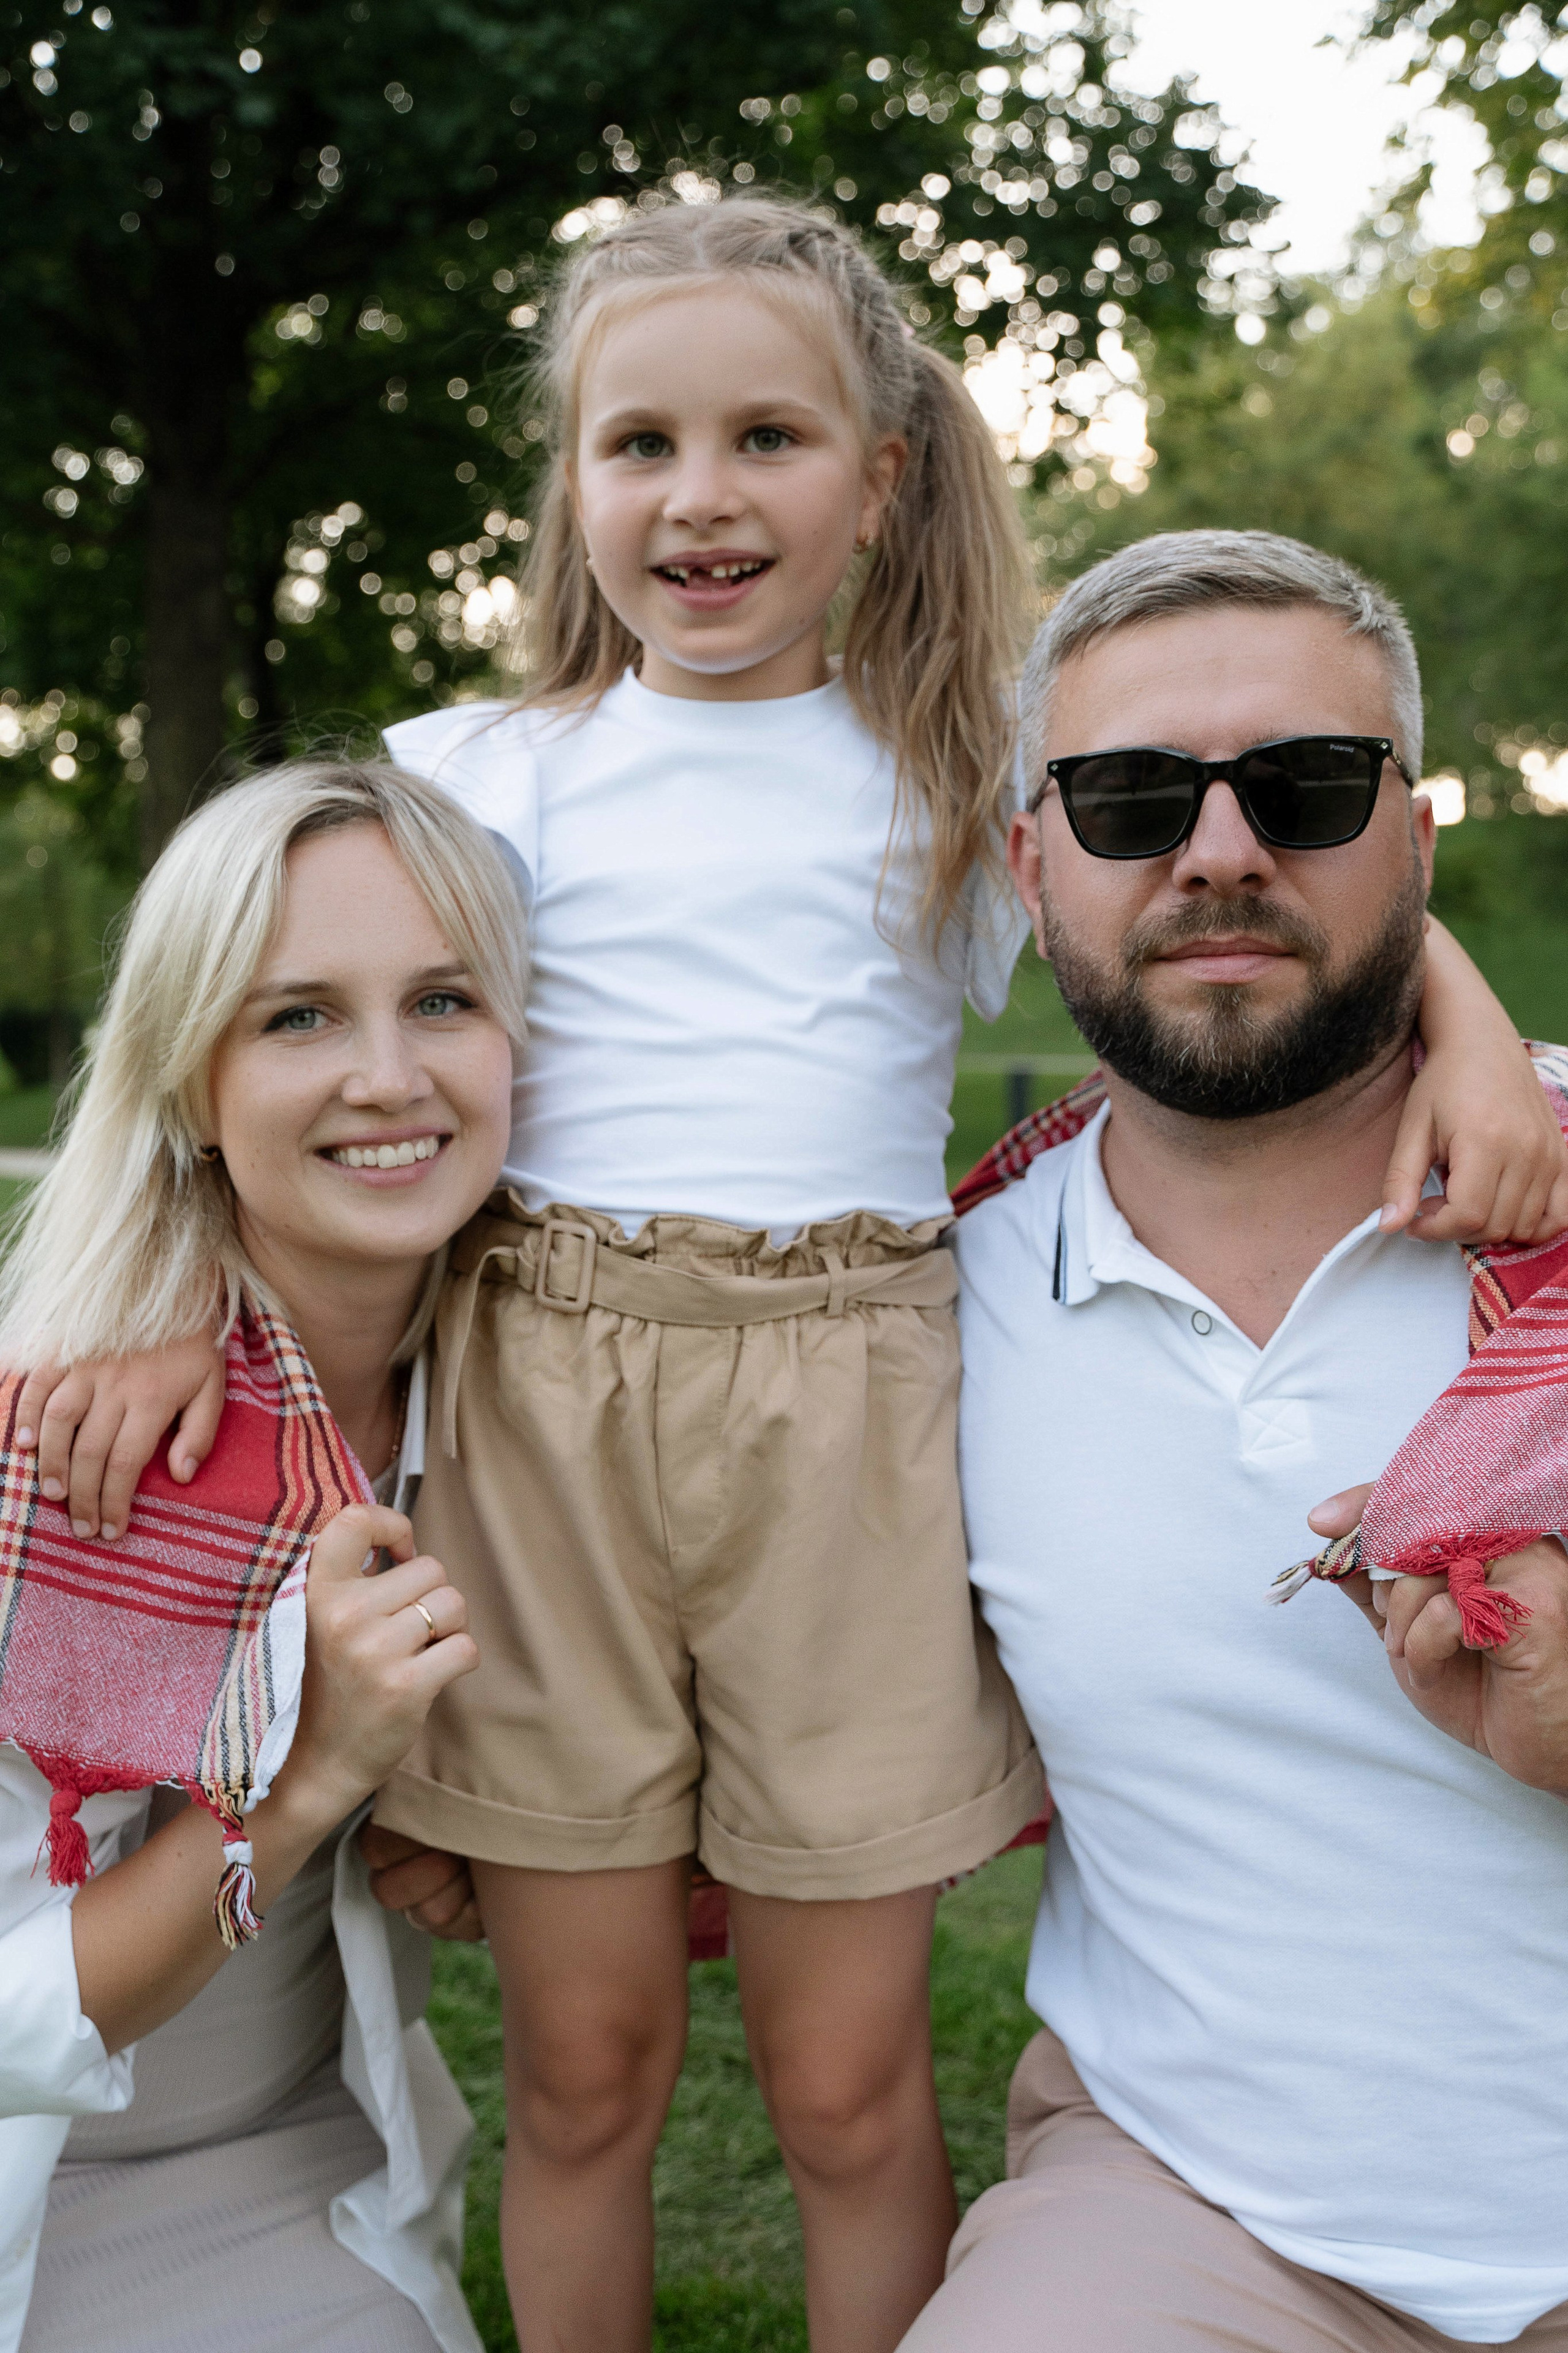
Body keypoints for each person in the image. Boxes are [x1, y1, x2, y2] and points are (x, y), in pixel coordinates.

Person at [13, 206, 1562, 2353]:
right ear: (570, 482)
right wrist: (179, 1284)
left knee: (844, 2088)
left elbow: (1234, 885)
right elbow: (265, 1027)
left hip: (848, 1409)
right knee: (589, 2066)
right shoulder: (480, 771)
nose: (702, 494)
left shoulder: (949, 779)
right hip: (549, 1413)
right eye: (638, 442)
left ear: (882, 476)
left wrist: (1471, 1033)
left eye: (768, 436)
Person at [902, 530, 1568, 2352]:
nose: (1219, 852)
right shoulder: (929, 1309)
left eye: (1306, 786)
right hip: (1197, 2211)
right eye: (1130, 800)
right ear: (1034, 867)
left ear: (1416, 844)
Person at [0, 760, 526, 2353]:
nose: (389, 1076)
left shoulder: (530, 1385)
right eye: (297, 1016)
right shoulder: (72, 1465)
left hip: (298, 2162)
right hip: (36, 2178)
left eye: (442, 998)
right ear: (187, 1082)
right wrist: (303, 1785)